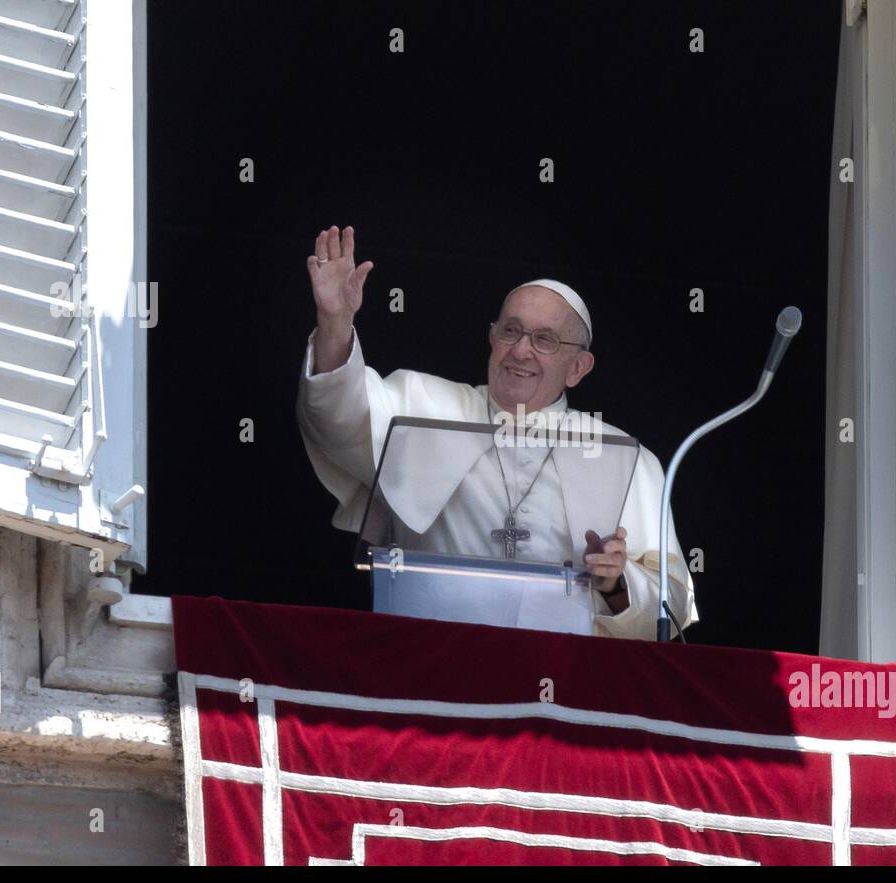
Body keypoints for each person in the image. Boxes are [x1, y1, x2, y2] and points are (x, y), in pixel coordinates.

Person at [296, 225, 696, 640]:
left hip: (564, 671)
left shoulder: (621, 456)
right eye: (511, 331)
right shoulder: (422, 403)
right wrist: (335, 323)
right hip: (431, 654)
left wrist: (616, 583)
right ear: (492, 338)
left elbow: (672, 605)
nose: (521, 350)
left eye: (545, 340)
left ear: (579, 368)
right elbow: (336, 418)